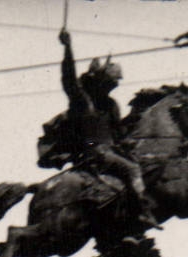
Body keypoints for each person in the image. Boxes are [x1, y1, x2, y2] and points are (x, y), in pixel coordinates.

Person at [52, 28, 156, 226]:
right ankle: (141, 211)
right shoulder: (82, 101)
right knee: (133, 169)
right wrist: (67, 48)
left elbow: (119, 133)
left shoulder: (111, 106)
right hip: (94, 153)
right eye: (109, 84)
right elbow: (69, 78)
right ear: (98, 82)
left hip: (111, 151)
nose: (111, 88)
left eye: (113, 85)